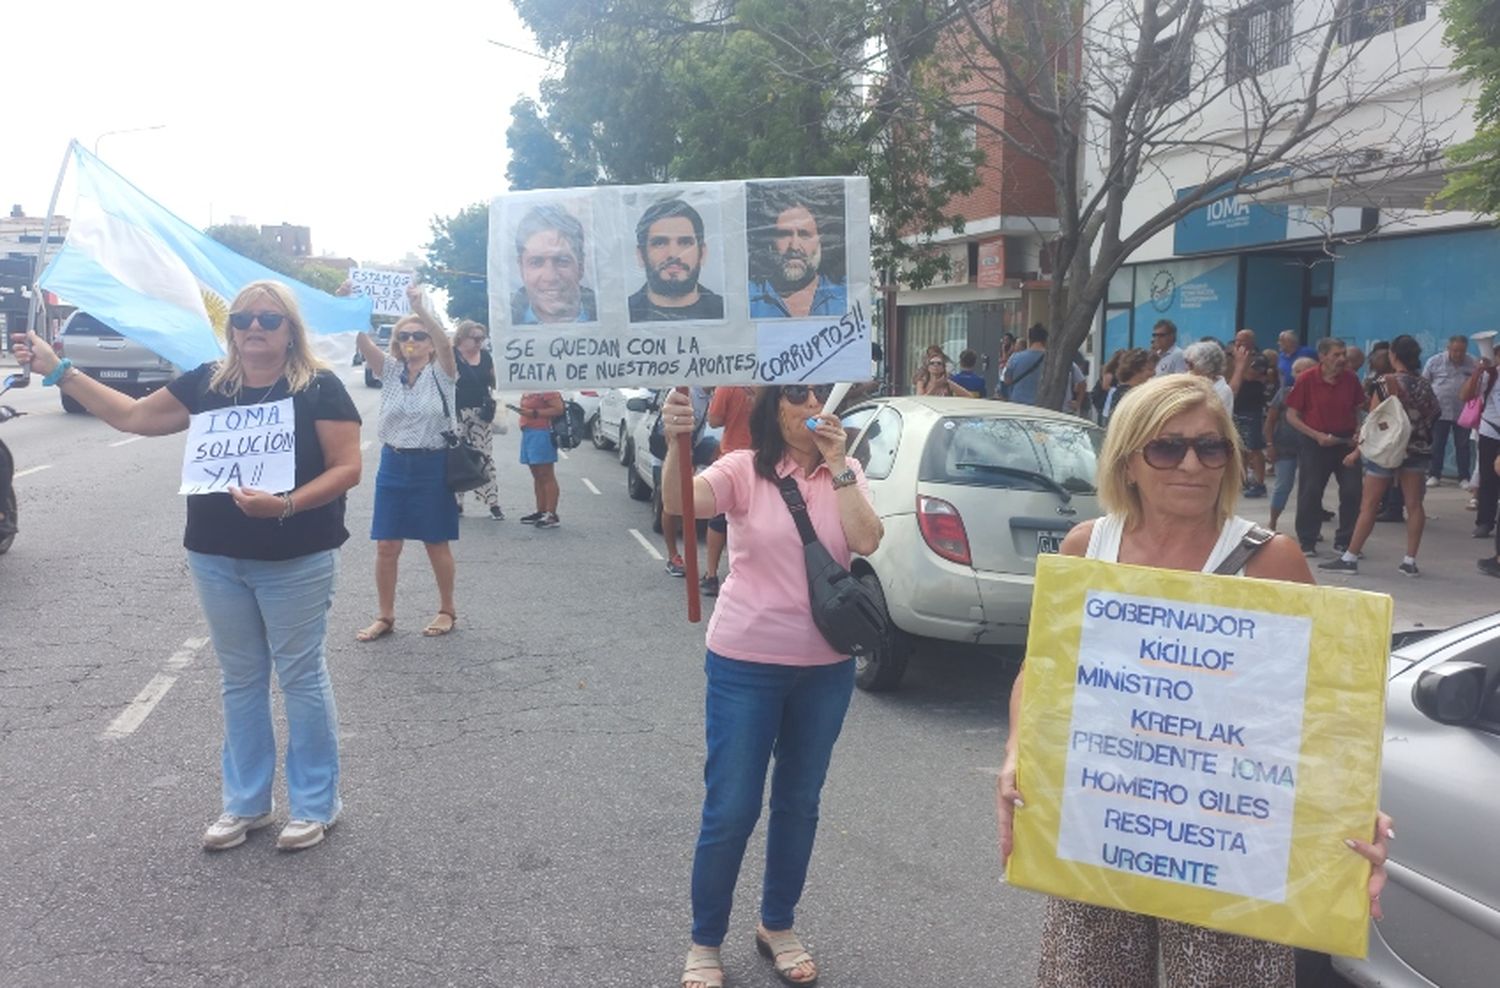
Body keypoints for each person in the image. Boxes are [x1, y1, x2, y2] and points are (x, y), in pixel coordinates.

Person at [996, 373, 1393, 987]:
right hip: (1103, 826)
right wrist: (1018, 752)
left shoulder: (1271, 560)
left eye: (1211, 448)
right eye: (1167, 447)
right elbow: (1041, 670)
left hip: (1227, 842)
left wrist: (1352, 807)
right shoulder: (1086, 549)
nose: (1192, 464)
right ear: (1128, 462)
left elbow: (1325, 707)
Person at [14, 281, 362, 851]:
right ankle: (247, 804)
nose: (255, 328)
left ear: (289, 331)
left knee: (300, 677)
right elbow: (131, 417)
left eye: (269, 321)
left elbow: (347, 468)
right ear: (232, 329)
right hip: (216, 557)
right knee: (241, 681)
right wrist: (59, 370)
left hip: (296, 555)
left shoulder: (319, 389)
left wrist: (286, 504)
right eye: (245, 318)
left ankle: (316, 804)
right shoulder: (206, 382)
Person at [661, 383, 882, 988]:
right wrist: (676, 439)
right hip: (745, 663)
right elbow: (684, 503)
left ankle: (777, 924)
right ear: (770, 407)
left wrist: (838, 467)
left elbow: (865, 540)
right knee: (731, 807)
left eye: (818, 396)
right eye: (795, 397)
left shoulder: (848, 468)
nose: (810, 407)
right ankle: (705, 940)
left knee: (799, 802)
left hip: (826, 666)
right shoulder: (742, 468)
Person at [355, 284, 461, 641]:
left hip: (432, 465)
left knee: (435, 541)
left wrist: (421, 310)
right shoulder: (389, 373)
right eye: (404, 336)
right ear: (397, 343)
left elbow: (447, 344)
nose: (412, 340)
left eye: (419, 335)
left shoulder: (442, 373)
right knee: (387, 544)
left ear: (429, 342)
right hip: (393, 463)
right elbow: (362, 342)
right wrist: (348, 305)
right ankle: (385, 615)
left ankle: (447, 609)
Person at [1319, 335, 1439, 577]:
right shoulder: (1424, 384)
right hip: (1416, 450)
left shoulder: (1386, 382)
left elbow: (1373, 421)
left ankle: (1350, 557)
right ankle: (1409, 560)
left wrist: (1356, 451)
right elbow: (1435, 413)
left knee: (1369, 505)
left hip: (1386, 449)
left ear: (1393, 355)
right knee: (1414, 505)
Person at [1285, 337, 1366, 556]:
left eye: (1343, 354)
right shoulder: (1307, 379)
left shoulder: (1350, 379)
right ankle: (1308, 540)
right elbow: (1292, 415)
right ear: (1322, 357)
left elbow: (1358, 409)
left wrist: (1360, 429)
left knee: (1352, 491)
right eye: (1336, 355)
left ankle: (1346, 540)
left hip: (1345, 441)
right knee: (1310, 490)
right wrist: (1316, 435)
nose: (1341, 359)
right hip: (1315, 441)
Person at [747, 184, 847, 319]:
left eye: (804, 234)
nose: (794, 246)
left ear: (820, 241)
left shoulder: (846, 299)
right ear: (770, 242)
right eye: (784, 234)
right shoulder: (748, 301)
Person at [629, 198, 725, 321]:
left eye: (685, 242)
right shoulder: (624, 314)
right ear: (641, 255)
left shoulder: (725, 311)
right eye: (660, 243)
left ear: (702, 253)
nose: (673, 254)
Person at [702, 384, 756, 596]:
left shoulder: (729, 384)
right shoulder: (772, 382)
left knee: (718, 520)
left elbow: (714, 420)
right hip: (765, 459)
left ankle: (712, 575)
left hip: (733, 458)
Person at [511, 204, 598, 324]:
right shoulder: (497, 324)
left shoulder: (612, 317)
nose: (550, 277)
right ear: (521, 268)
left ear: (581, 266)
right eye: (536, 262)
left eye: (562, 261)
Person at [453, 320, 503, 519]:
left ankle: (493, 502)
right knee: (457, 457)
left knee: (484, 457)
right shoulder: (451, 355)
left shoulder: (486, 357)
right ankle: (457, 502)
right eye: (475, 338)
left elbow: (494, 381)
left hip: (481, 414)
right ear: (462, 337)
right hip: (456, 413)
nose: (479, 343)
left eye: (482, 338)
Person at [663, 386, 713, 576]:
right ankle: (672, 555)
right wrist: (679, 455)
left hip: (693, 448)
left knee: (685, 505)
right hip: (672, 451)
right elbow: (669, 432)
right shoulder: (686, 391)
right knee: (671, 505)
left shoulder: (713, 393)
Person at [1265, 356, 1317, 531]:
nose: (1302, 374)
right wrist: (1270, 444)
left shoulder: (1319, 394)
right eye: (1298, 371)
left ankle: (1307, 529)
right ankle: (1272, 522)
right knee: (1283, 486)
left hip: (1311, 448)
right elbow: (1270, 420)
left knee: (1310, 490)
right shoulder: (1285, 393)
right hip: (1285, 447)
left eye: (1307, 370)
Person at [1422, 335, 1479, 488]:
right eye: (1455, 350)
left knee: (1463, 445)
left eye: (1461, 351)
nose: (1458, 354)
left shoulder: (1472, 363)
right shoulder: (1435, 362)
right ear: (1448, 348)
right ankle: (1434, 474)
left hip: (1463, 411)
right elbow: (1425, 384)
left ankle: (1463, 477)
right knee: (1437, 444)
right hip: (1440, 411)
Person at [1461, 356, 1500, 544]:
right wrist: (1478, 372)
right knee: (1488, 477)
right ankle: (1485, 521)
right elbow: (1465, 396)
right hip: (1491, 431)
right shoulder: (1491, 376)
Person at [513, 391, 565, 527]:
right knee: (537, 474)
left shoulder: (547, 388)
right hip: (529, 431)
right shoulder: (528, 386)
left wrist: (535, 413)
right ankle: (541, 510)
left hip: (542, 431)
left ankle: (551, 514)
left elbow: (558, 409)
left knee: (546, 474)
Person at [1002, 324, 1083, 407]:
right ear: (1046, 340)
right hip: (1044, 408)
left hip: (1019, 405)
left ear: (1029, 340)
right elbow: (1081, 382)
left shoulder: (1015, 358)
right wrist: (1078, 403)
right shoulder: (1055, 360)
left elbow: (1007, 380)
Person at [1100, 348, 1153, 429]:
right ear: (1136, 370)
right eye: (1150, 369)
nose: (1154, 373)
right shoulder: (1127, 395)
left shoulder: (1131, 393)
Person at [1183, 340, 1234, 415]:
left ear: (1206, 366)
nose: (1186, 368)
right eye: (1186, 363)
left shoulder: (1223, 391)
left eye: (1191, 365)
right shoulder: (1185, 382)